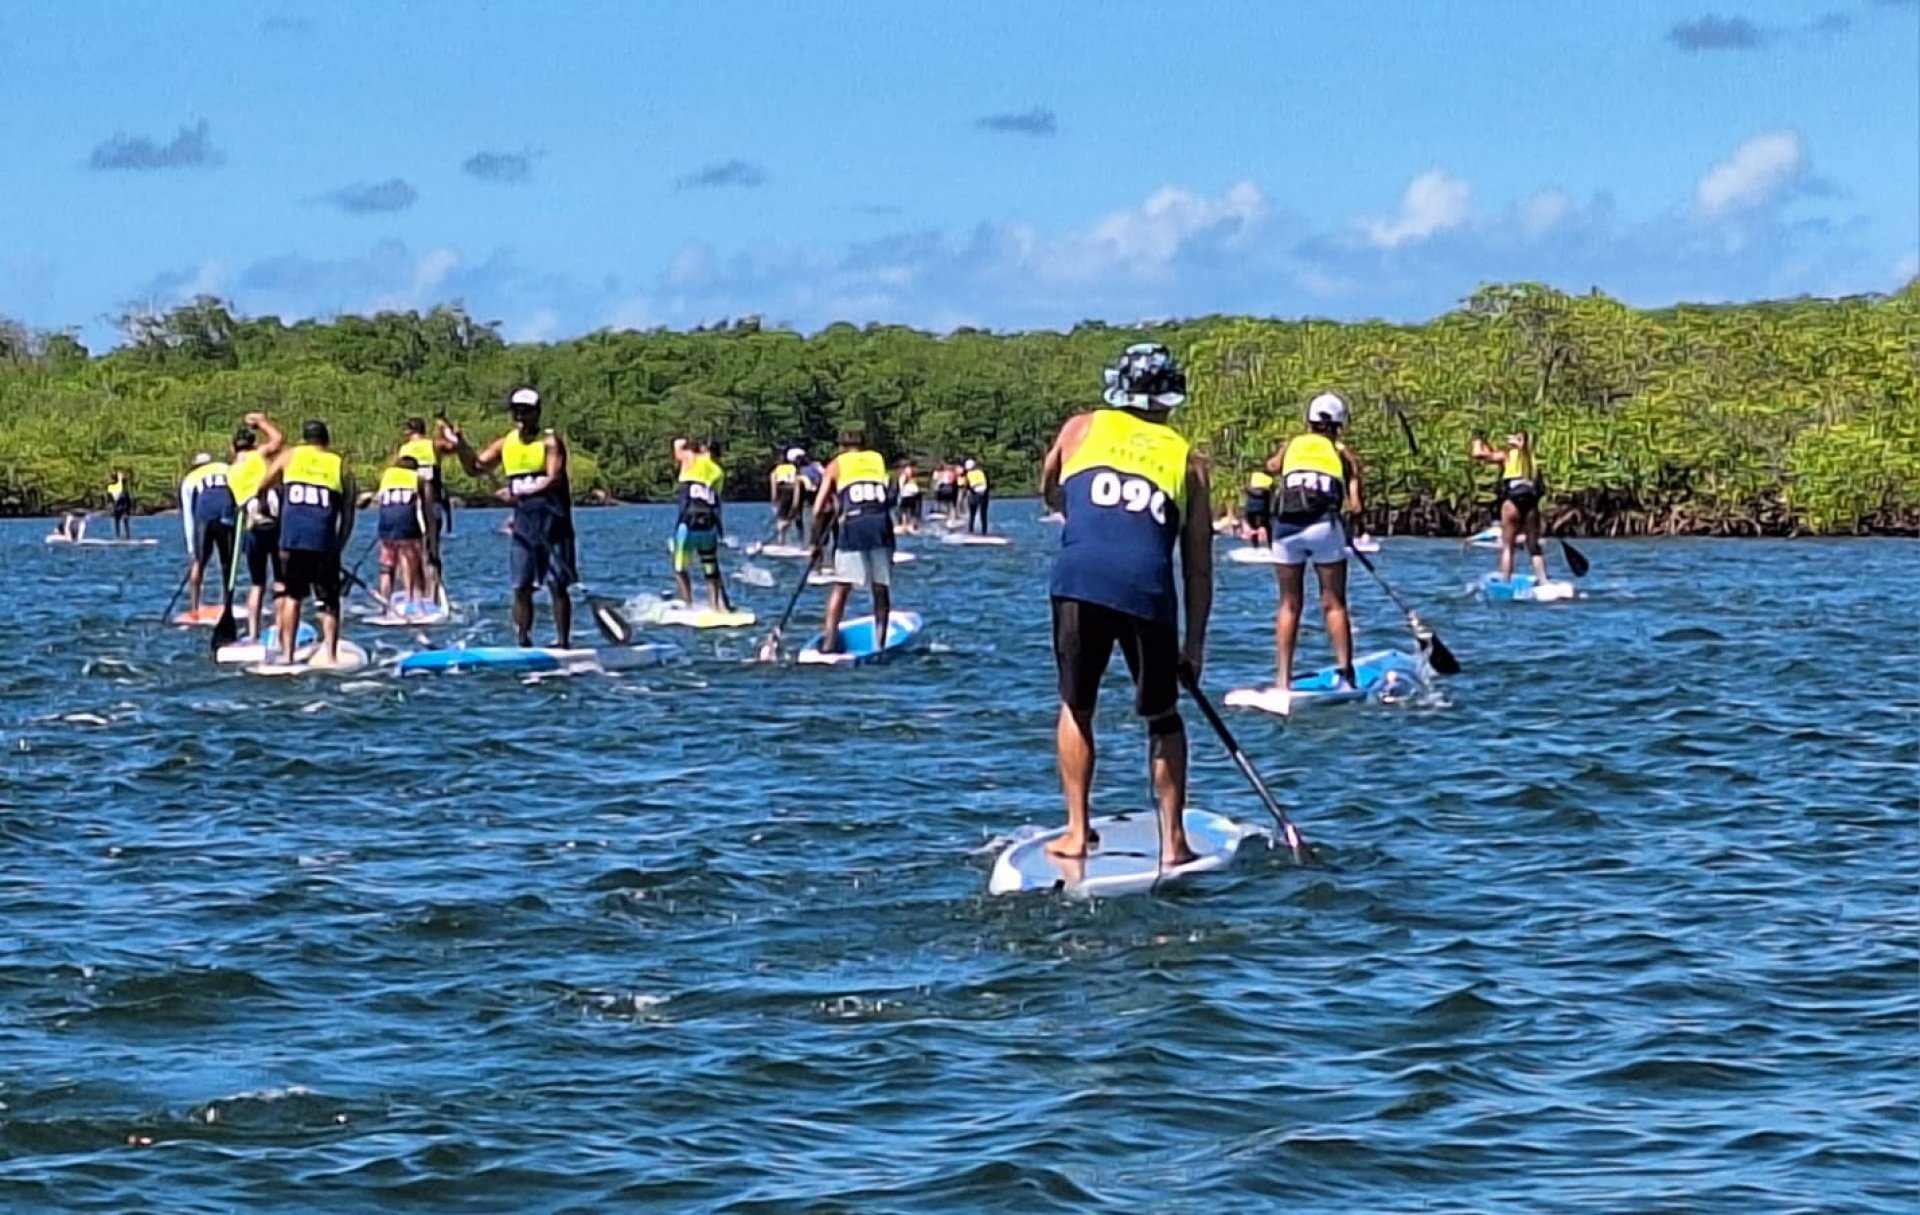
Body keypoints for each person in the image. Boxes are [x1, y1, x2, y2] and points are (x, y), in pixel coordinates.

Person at [1039, 342, 1212, 867]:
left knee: (1077, 704)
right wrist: (1194, 647)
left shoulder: (1080, 429)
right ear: (1169, 398)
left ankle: (1076, 831)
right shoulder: (1189, 461)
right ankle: (1174, 842)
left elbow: (1050, 490)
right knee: (1163, 716)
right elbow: (1197, 565)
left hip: (1078, 578)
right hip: (1148, 588)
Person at [445, 386, 575, 648]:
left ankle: (563, 643)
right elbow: (475, 468)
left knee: (557, 584)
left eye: (526, 411)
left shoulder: (550, 442)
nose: (520, 416)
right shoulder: (505, 443)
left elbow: (553, 478)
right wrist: (461, 447)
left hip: (554, 522)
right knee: (521, 586)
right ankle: (523, 642)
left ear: (537, 413)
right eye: (516, 411)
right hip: (525, 524)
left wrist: (516, 490)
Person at [1263, 392, 1365, 700]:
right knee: (1334, 602)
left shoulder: (1292, 444)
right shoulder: (1341, 451)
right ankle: (1346, 674)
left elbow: (1272, 466)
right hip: (1323, 526)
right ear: (1339, 425)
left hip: (1285, 527)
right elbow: (1357, 502)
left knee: (1288, 603)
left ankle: (1282, 681)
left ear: (1309, 422)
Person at [256, 420, 355, 665]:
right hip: (323, 542)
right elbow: (348, 513)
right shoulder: (339, 465)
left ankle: (287, 656)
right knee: (328, 601)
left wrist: (265, 507)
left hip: (292, 540)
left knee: (292, 596)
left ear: (304, 439)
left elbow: (263, 484)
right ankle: (331, 655)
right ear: (326, 441)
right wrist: (339, 545)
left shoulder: (290, 456)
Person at [810, 427, 895, 655]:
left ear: (841, 447)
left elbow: (818, 508)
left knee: (842, 586)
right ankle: (880, 642)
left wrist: (816, 541)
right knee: (881, 587)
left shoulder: (837, 464)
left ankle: (829, 643)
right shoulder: (877, 459)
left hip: (853, 525)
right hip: (880, 523)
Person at [227, 412, 287, 642]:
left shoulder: (231, 471)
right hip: (273, 523)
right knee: (280, 580)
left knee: (257, 582)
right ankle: (282, 630)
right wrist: (261, 422)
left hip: (252, 528)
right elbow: (278, 440)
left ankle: (253, 634)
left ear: (234, 449)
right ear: (253, 445)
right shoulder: (258, 455)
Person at [1471, 430, 1552, 583]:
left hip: (1512, 503)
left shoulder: (1508, 455)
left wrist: (1477, 438)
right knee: (1534, 546)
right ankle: (1544, 581)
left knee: (1508, 546)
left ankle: (1506, 582)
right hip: (1530, 504)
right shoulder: (1533, 461)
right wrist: (1485, 441)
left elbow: (1478, 453)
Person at [396, 418, 451, 604]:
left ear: (409, 431)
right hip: (433, 503)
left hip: (408, 506)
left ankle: (414, 593)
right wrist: (444, 429)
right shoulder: (434, 445)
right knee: (432, 550)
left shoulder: (403, 451)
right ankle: (433, 593)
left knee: (412, 550)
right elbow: (453, 445)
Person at [178, 451, 237, 617]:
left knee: (199, 563)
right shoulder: (227, 468)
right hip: (226, 515)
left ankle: (194, 606)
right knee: (227, 563)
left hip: (204, 518)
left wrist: (191, 548)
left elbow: (188, 515)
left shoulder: (190, 479)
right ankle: (228, 603)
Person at [671, 436, 728, 609]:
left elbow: (677, 445)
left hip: (687, 525)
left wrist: (689, 441)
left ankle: (688, 604)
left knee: (680, 567)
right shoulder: (718, 472)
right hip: (709, 526)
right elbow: (716, 500)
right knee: (710, 567)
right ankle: (715, 606)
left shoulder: (690, 459)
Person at [368, 454, 429, 611]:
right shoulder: (417, 478)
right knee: (409, 561)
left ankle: (385, 602)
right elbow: (425, 505)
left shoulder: (387, 477)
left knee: (387, 566)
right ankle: (410, 599)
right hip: (406, 523)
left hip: (386, 524)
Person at [769, 447, 803, 544]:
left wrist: (774, 500)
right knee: (795, 518)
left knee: (781, 519)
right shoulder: (795, 469)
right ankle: (801, 541)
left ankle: (781, 542)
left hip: (782, 492)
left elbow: (773, 487)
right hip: (793, 491)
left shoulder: (776, 470)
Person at [1241, 468, 1274, 546]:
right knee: (1268, 526)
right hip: (1263, 509)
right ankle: (1271, 545)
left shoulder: (1252, 482)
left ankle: (1255, 546)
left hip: (1250, 509)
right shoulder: (1268, 481)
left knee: (1253, 527)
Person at [963, 459, 990, 534]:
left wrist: (964, 495)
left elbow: (966, 486)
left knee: (972, 515)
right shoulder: (982, 472)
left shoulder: (968, 474)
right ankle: (984, 532)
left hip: (973, 495)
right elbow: (987, 484)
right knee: (983, 515)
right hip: (984, 495)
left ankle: (970, 531)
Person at [895, 460, 922, 533]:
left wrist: (900, 495)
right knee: (911, 510)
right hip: (913, 494)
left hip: (906, 494)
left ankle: (905, 524)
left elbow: (901, 486)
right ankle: (912, 524)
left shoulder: (903, 475)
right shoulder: (912, 474)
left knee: (904, 510)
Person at [106, 470, 134, 540]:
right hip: (119, 506)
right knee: (121, 522)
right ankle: (122, 536)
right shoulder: (113, 487)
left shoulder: (119, 488)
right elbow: (111, 497)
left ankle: (124, 536)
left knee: (122, 521)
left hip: (121, 506)